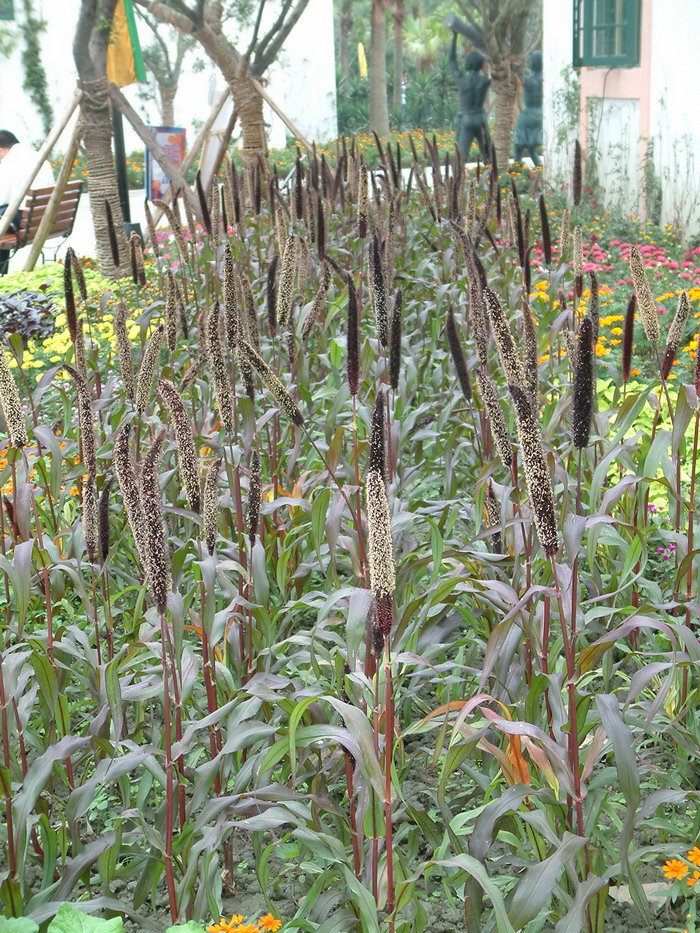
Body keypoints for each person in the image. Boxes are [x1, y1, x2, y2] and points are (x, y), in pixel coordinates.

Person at [0, 130, 55, 274]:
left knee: (3, 218)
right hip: (40, 219)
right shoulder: (39, 157)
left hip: (22, 221)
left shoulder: (9, 162)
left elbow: (1, 198)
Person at [449, 33, 490, 163]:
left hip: (466, 119)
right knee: (488, 156)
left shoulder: (462, 80)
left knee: (461, 158)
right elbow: (494, 65)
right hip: (480, 118)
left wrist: (454, 37)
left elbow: (452, 61)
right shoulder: (484, 80)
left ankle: (459, 181)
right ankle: (491, 180)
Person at [514, 51, 543, 166]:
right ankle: (540, 169)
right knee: (531, 149)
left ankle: (517, 167)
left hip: (528, 113)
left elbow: (515, 75)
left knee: (518, 145)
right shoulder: (545, 80)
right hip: (540, 115)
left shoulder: (527, 79)